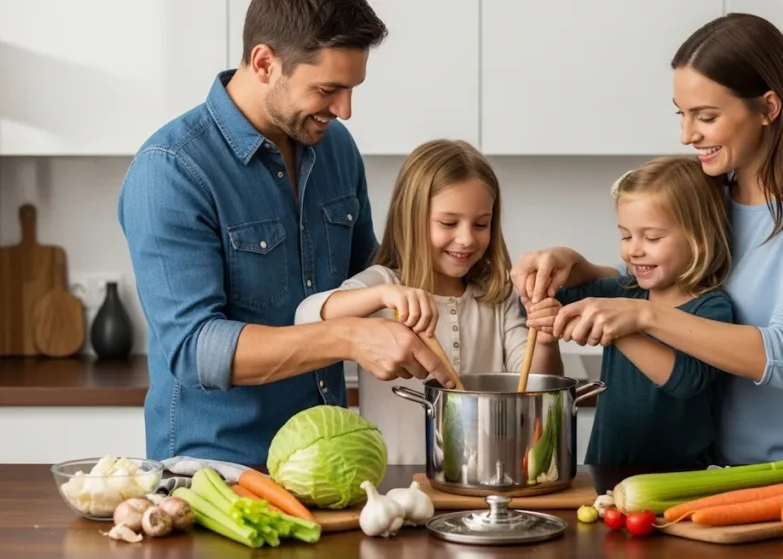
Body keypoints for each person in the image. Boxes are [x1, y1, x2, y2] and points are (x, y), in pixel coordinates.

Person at [511, 13, 783, 467]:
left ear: (768, 107)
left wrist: (640, 315)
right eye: (681, 114)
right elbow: (669, 286)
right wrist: (582, 268)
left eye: (706, 116)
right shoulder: (711, 190)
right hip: (704, 474)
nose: (687, 135)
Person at [117, 0, 455, 466]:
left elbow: (367, 276)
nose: (346, 110)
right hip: (218, 474)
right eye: (328, 89)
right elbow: (196, 350)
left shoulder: (335, 148)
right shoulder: (171, 171)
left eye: (353, 89)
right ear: (264, 63)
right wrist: (348, 339)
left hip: (330, 461)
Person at [294, 138, 565, 465]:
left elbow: (531, 388)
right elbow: (306, 318)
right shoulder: (385, 283)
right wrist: (381, 295)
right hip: (395, 482)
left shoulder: (497, 293)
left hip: (482, 478)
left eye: (481, 224)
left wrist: (547, 342)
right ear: (412, 219)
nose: (466, 238)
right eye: (448, 223)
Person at [526, 156, 735, 470]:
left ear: (700, 240)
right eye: (626, 235)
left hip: (681, 479)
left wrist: (619, 330)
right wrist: (544, 295)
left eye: (651, 238)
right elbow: (555, 297)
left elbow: (687, 381)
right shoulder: (623, 289)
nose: (633, 250)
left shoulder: (712, 307)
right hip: (605, 468)